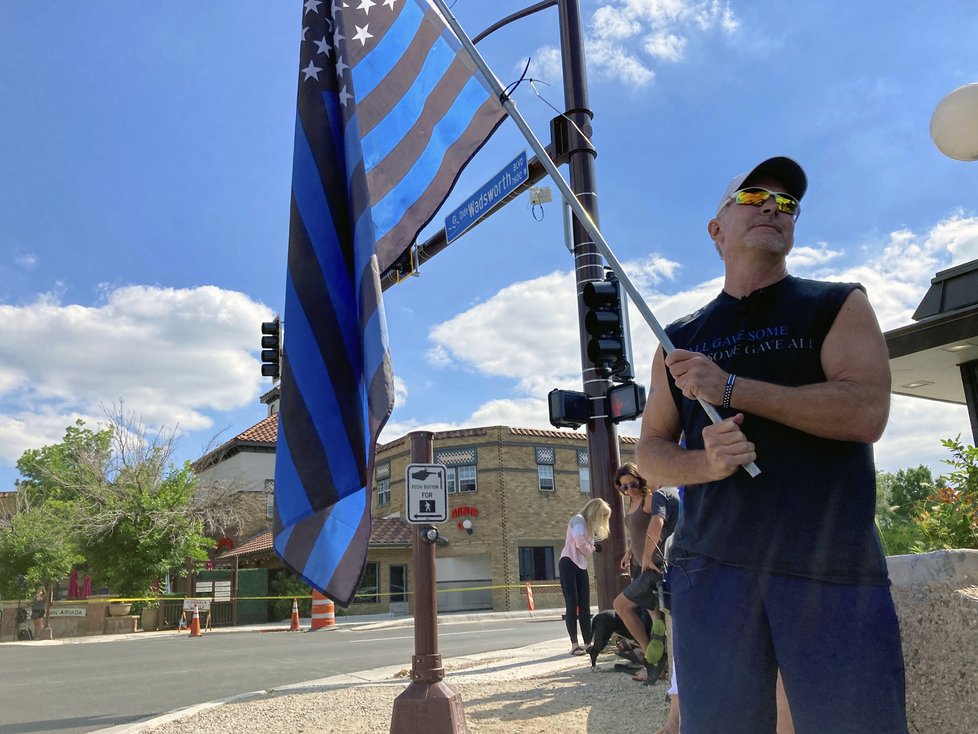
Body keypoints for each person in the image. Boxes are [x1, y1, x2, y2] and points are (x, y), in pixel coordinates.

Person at [638, 156, 907, 733]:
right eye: (755, 196)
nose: (773, 207)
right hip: (710, 573)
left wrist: (731, 387)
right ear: (717, 230)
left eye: (787, 205)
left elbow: (866, 410)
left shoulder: (836, 304)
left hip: (829, 568)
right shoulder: (677, 343)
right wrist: (705, 464)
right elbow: (650, 455)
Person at [611, 463, 679, 680]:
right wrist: (630, 552)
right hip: (641, 564)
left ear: (640, 479)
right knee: (653, 616)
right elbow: (638, 531)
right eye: (623, 487)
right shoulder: (631, 502)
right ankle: (656, 660)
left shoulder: (651, 498)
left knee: (624, 607)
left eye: (632, 484)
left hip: (653, 564)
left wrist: (649, 558)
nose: (629, 490)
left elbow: (656, 526)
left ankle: (653, 660)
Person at [558, 497, 611, 656]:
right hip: (568, 562)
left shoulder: (588, 526)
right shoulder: (578, 520)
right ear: (594, 511)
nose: (601, 520)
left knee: (585, 605)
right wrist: (591, 548)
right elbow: (580, 543)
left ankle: (588, 643)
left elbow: (584, 545)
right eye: (601, 515)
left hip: (581, 565)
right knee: (572, 603)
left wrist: (590, 547)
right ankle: (575, 645)